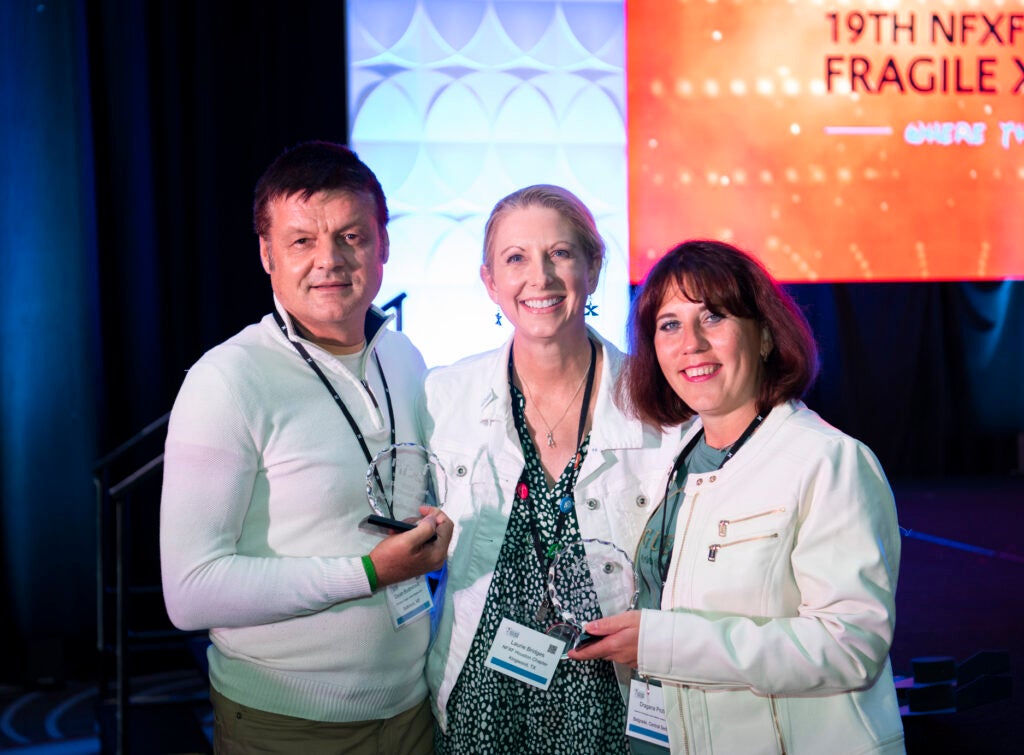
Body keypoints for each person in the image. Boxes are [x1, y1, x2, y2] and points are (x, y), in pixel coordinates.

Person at [160, 141, 453, 755]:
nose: (331, 261)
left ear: (384, 246)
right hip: (287, 723)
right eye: (302, 241)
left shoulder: (404, 357)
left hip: (413, 706)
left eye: (352, 236)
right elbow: (189, 592)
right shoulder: (229, 379)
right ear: (267, 254)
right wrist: (371, 572)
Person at [570, 239, 905, 754]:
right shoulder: (669, 460)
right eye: (669, 325)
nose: (691, 344)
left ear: (766, 336)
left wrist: (665, 643)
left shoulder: (827, 460)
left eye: (714, 317)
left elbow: (850, 647)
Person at [420, 185, 684, 753]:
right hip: (481, 694)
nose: (538, 277)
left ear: (593, 267)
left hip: (610, 694)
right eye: (515, 258)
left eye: (560, 253)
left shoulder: (659, 405)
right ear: (490, 281)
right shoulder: (445, 397)